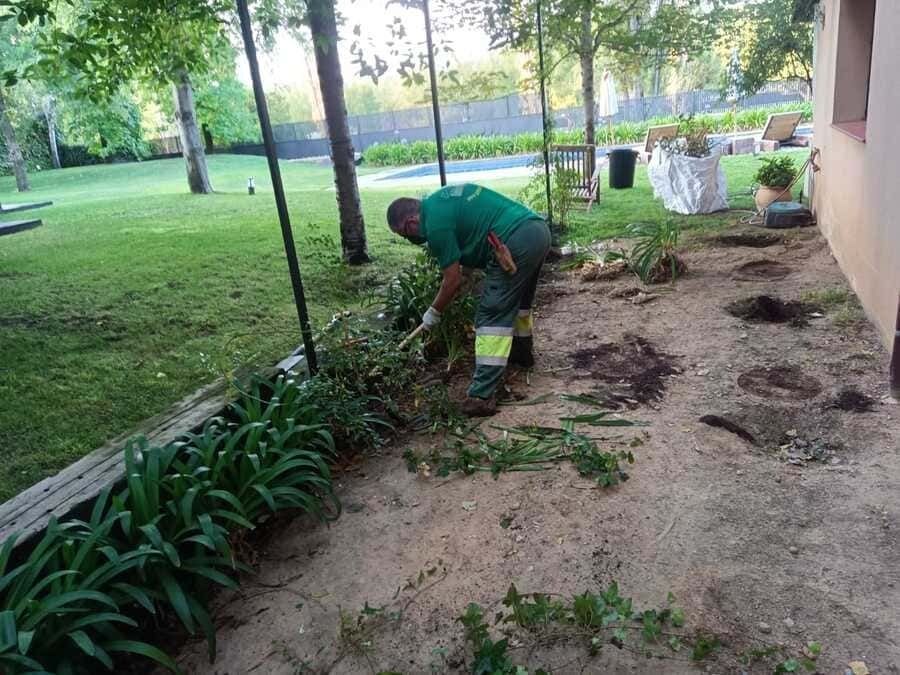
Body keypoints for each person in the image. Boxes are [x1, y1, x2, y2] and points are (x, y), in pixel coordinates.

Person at [386, 183, 551, 417]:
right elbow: (471, 234)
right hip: (536, 231)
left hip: (512, 242)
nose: (409, 238)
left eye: (405, 234)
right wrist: (464, 276)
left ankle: (482, 394)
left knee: (491, 315)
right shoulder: (438, 203)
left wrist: (433, 313)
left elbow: (450, 280)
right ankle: (522, 354)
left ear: (411, 222)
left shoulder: (434, 226)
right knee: (520, 303)